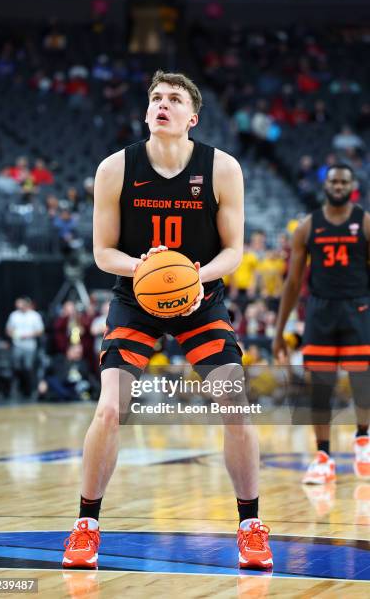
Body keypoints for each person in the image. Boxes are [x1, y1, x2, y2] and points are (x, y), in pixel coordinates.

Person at [62, 70, 273, 571]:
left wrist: (198, 279)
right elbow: (102, 252)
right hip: (137, 297)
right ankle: (86, 526)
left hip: (199, 295)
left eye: (174, 99)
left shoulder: (223, 169)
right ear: (146, 112)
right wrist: (144, 267)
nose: (162, 104)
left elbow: (234, 251)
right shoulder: (115, 168)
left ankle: (250, 526)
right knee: (110, 408)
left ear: (192, 118)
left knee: (235, 404)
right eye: (155, 97)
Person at [273, 164, 370, 484]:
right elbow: (292, 282)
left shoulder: (365, 223)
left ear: (352, 186)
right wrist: (279, 331)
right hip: (319, 311)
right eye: (333, 181)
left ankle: (362, 439)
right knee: (320, 389)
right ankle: (324, 456)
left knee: (361, 382)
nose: (338, 186)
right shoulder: (308, 226)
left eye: (344, 181)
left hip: (357, 307)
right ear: (325, 185)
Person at [6, 297, 44, 398]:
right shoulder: (14, 315)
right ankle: (15, 390)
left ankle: (31, 390)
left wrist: (28, 335)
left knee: (28, 368)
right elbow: (8, 329)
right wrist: (13, 334)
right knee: (16, 367)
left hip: (29, 346)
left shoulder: (34, 316)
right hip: (17, 344)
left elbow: (40, 331)